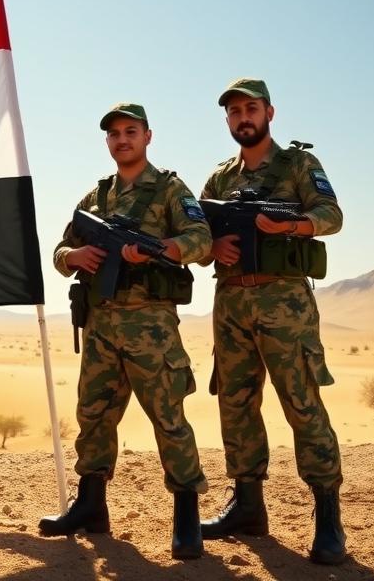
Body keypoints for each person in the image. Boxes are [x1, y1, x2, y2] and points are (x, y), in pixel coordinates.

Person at [39, 103, 211, 560]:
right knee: (93, 416)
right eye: (114, 134)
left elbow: (201, 239)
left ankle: (187, 516)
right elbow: (61, 246)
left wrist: (157, 251)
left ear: (148, 136)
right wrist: (73, 258)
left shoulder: (171, 190)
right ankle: (92, 506)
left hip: (151, 329)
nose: (122, 140)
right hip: (101, 327)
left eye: (130, 132)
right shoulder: (95, 198)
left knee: (169, 420)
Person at [199, 79, 345, 565]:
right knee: (236, 404)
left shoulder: (299, 164)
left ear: (269, 113)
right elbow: (196, 230)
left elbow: (331, 214)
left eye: (251, 108)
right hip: (232, 302)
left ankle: (327, 519)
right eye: (235, 111)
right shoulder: (220, 179)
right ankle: (247, 507)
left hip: (285, 302)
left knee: (302, 403)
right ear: (228, 120)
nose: (244, 117)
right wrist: (212, 247)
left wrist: (289, 225)